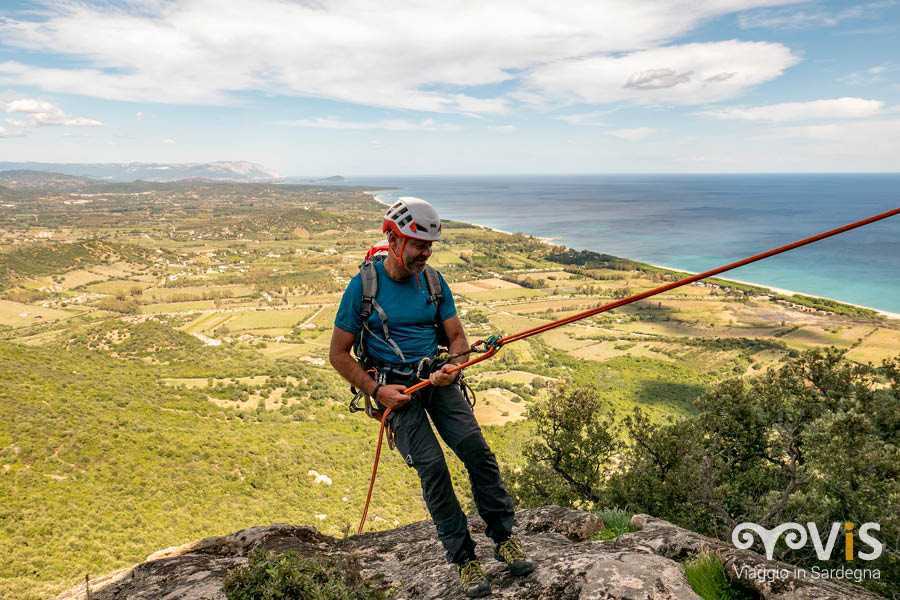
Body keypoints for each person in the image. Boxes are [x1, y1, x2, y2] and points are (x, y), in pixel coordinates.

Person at [329, 197, 534, 598]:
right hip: (396, 394)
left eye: (429, 246)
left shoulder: (434, 282)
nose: (426, 253)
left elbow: (456, 339)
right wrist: (376, 391)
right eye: (418, 244)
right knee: (434, 470)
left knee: (477, 453)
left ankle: (504, 537)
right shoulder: (364, 287)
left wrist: (452, 367)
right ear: (392, 239)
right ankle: (465, 561)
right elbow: (338, 354)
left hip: (435, 382)